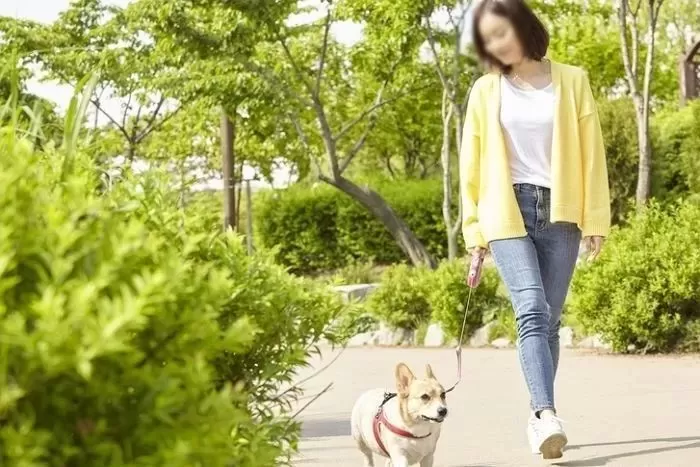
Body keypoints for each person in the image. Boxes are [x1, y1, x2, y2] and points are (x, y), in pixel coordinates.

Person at [459, 0, 611, 460]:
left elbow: (591, 153)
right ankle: (546, 414)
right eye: (488, 39)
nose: (496, 44)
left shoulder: (573, 80)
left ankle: (537, 414)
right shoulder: (485, 91)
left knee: (550, 319)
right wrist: (474, 235)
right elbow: (470, 165)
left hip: (561, 211)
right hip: (505, 210)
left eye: (501, 32)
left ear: (524, 27)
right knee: (530, 308)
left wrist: (596, 219)